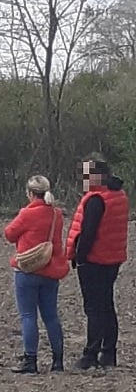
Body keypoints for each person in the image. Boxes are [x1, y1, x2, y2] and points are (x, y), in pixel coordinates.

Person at [66, 154, 128, 369]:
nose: (83, 179)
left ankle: (90, 354)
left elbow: (88, 232)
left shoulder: (96, 199)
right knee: (107, 306)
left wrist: (79, 257)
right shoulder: (118, 194)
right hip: (113, 258)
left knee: (94, 308)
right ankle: (109, 352)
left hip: (95, 260)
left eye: (86, 175)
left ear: (98, 176)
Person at [3, 175, 68, 374]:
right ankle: (58, 360)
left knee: (28, 316)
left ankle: (30, 360)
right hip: (51, 270)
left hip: (28, 270)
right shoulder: (57, 214)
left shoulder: (27, 213)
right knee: (51, 316)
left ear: (30, 193)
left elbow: (9, 234)